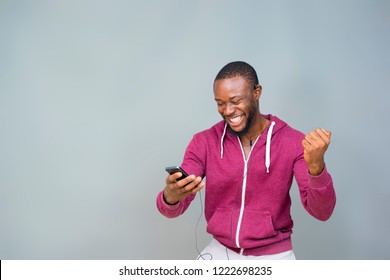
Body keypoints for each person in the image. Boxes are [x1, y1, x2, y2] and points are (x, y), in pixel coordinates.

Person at [156, 61, 336, 260]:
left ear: (256, 92)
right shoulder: (204, 142)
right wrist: (171, 195)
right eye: (220, 103)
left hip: (275, 256)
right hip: (220, 251)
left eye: (235, 101)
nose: (228, 110)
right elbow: (170, 209)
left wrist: (316, 168)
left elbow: (322, 212)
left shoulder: (292, 142)